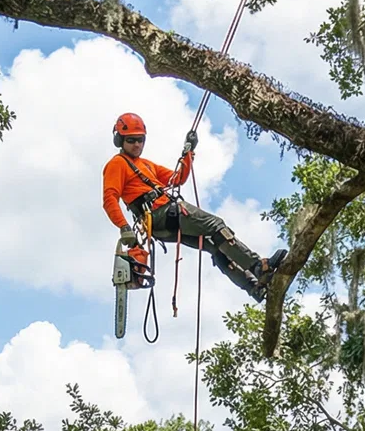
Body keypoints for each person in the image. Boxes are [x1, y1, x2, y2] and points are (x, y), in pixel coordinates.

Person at [102, 113, 286, 299]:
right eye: (132, 140)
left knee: (214, 245)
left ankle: (253, 287)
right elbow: (110, 198)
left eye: (140, 140)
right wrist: (124, 227)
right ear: (120, 140)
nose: (137, 145)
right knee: (215, 224)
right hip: (162, 214)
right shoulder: (117, 164)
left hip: (163, 223)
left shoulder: (147, 165)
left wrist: (188, 153)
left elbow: (178, 177)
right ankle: (258, 266)